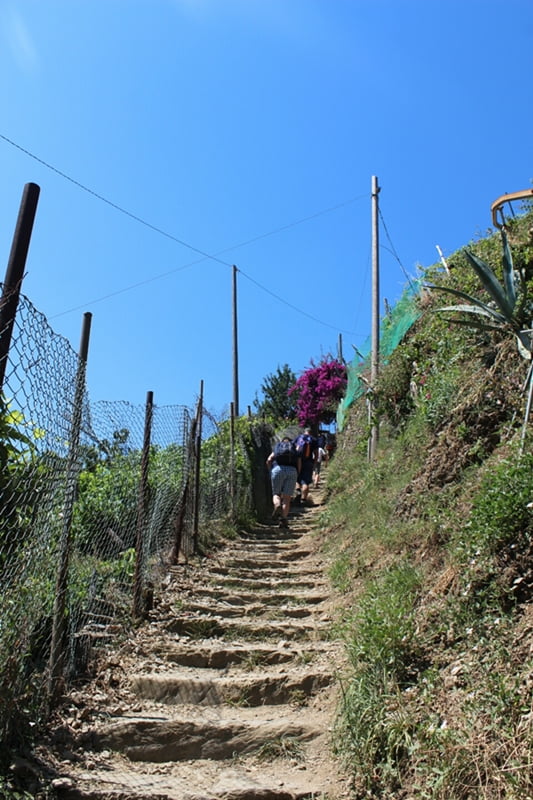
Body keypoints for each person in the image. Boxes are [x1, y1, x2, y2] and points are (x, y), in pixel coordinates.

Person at [266, 436, 299, 528]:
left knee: (276, 494)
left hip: (277, 469)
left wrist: (270, 471)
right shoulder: (294, 448)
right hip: (292, 471)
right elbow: (299, 462)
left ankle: (277, 505)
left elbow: (268, 460)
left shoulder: (277, 448)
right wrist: (297, 473)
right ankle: (283, 519)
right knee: (287, 498)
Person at [294, 427, 318, 505]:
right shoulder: (313, 440)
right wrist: (314, 463)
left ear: (304, 432)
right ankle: (303, 500)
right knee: (306, 482)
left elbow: (293, 449)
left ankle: (298, 489)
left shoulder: (298, 438)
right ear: (310, 432)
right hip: (308, 462)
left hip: (298, 461)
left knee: (297, 478)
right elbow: (316, 454)